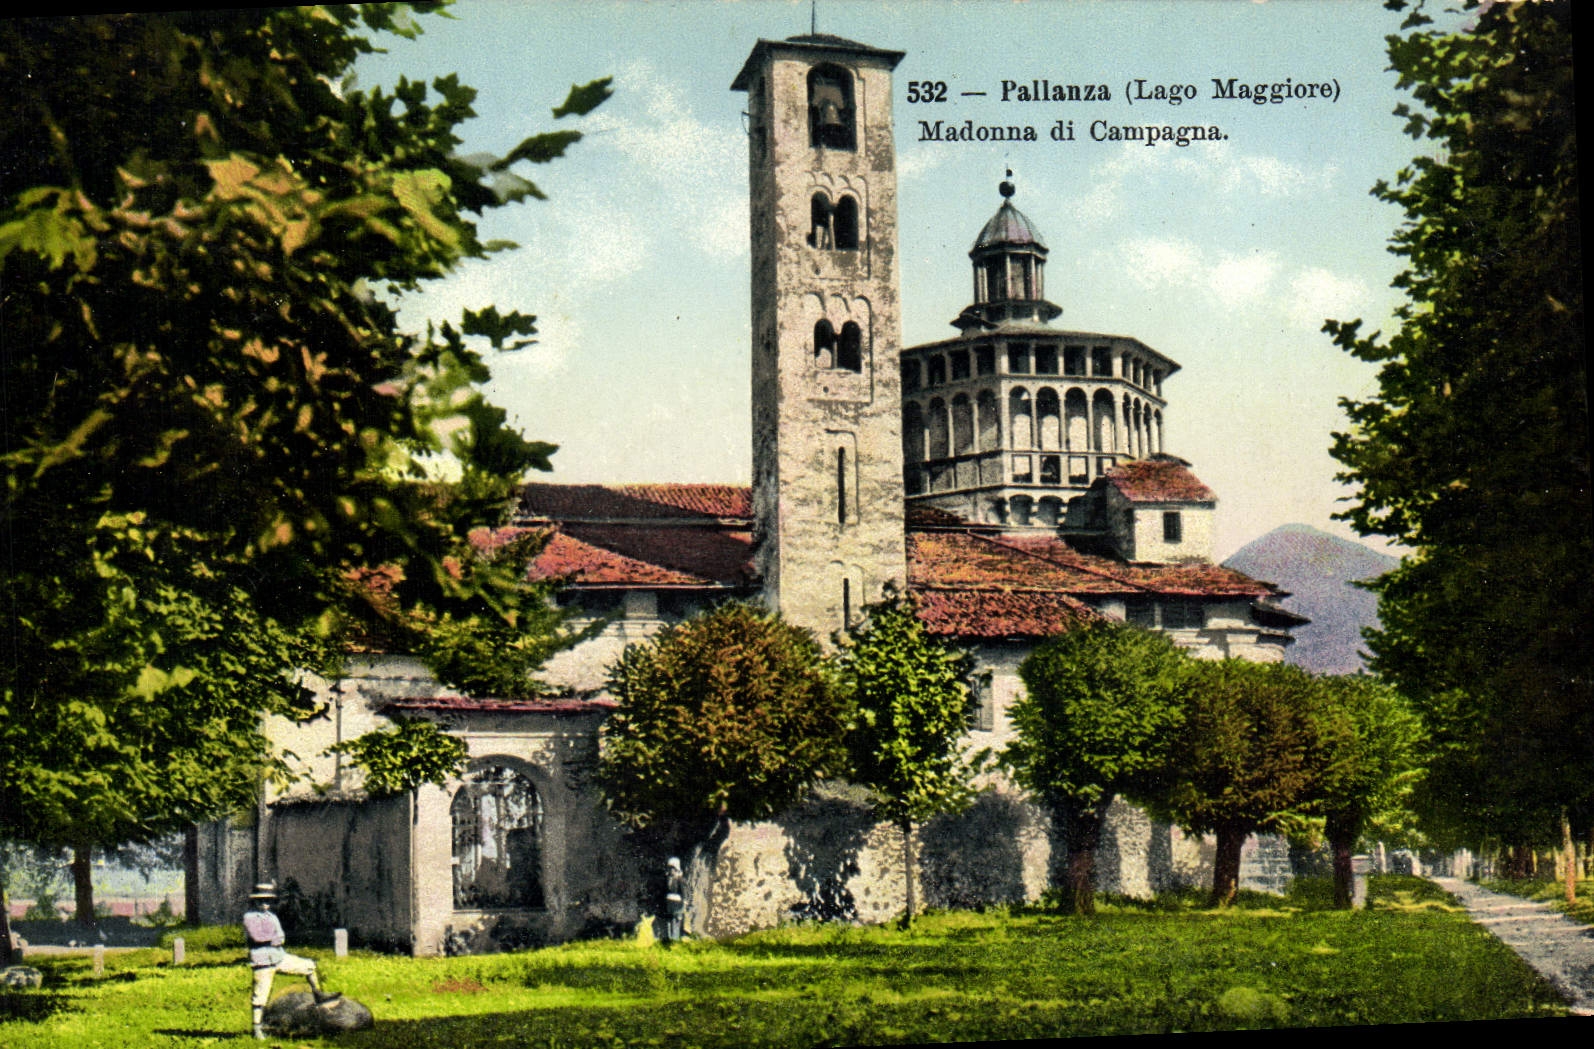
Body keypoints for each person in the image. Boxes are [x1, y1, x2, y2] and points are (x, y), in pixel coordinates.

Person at [242, 883, 338, 1040]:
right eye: (260, 901)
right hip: (262, 962)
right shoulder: (249, 917)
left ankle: (318, 993)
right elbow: (257, 936)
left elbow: (281, 937)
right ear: (254, 902)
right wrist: (271, 938)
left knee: (310, 966)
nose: (264, 904)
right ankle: (257, 1028)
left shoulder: (272, 917)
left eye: (267, 901)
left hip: (279, 957)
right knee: (260, 995)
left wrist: (272, 939)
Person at [661, 857, 685, 946]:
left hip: (677, 902)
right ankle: (670, 939)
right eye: (669, 868)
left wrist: (683, 901)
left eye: (672, 868)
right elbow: (665, 890)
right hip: (669, 902)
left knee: (676, 919)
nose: (671, 870)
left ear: (676, 869)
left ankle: (676, 939)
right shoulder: (667, 878)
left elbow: (682, 891)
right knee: (669, 920)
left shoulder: (679, 879)